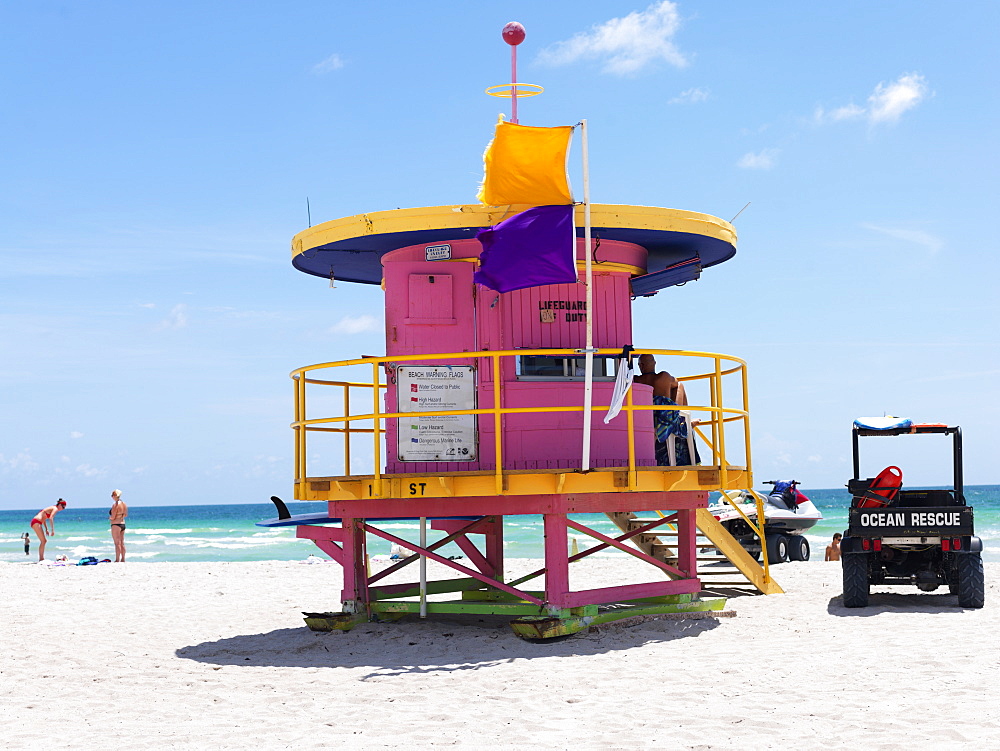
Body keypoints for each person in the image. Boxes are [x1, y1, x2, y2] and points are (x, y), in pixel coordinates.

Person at [633, 354, 700, 466]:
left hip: (645, 417)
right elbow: (676, 382)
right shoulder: (663, 376)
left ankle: (684, 422)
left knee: (661, 401)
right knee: (680, 386)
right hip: (663, 418)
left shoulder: (635, 380)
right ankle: (685, 422)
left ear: (640, 365)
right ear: (654, 363)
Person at [109, 489, 128, 563]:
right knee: (122, 542)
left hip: (116, 524)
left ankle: (117, 559)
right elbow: (126, 514)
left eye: (112, 495)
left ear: (114, 496)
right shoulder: (124, 504)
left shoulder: (115, 505)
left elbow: (113, 516)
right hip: (122, 523)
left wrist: (110, 518)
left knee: (117, 543)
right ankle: (123, 559)